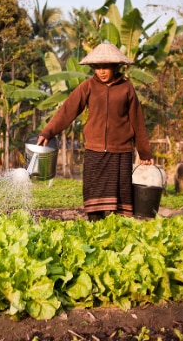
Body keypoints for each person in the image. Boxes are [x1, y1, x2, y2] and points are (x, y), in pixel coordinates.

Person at [37, 42, 154, 221]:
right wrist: (47, 132)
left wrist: (144, 151)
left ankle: (118, 237)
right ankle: (94, 232)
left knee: (120, 203)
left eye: (106, 67)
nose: (102, 71)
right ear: (93, 67)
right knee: (94, 200)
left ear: (115, 66)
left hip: (121, 152)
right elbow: (67, 111)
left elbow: (137, 121)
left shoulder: (126, 88)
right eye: (98, 67)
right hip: (95, 151)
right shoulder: (87, 87)